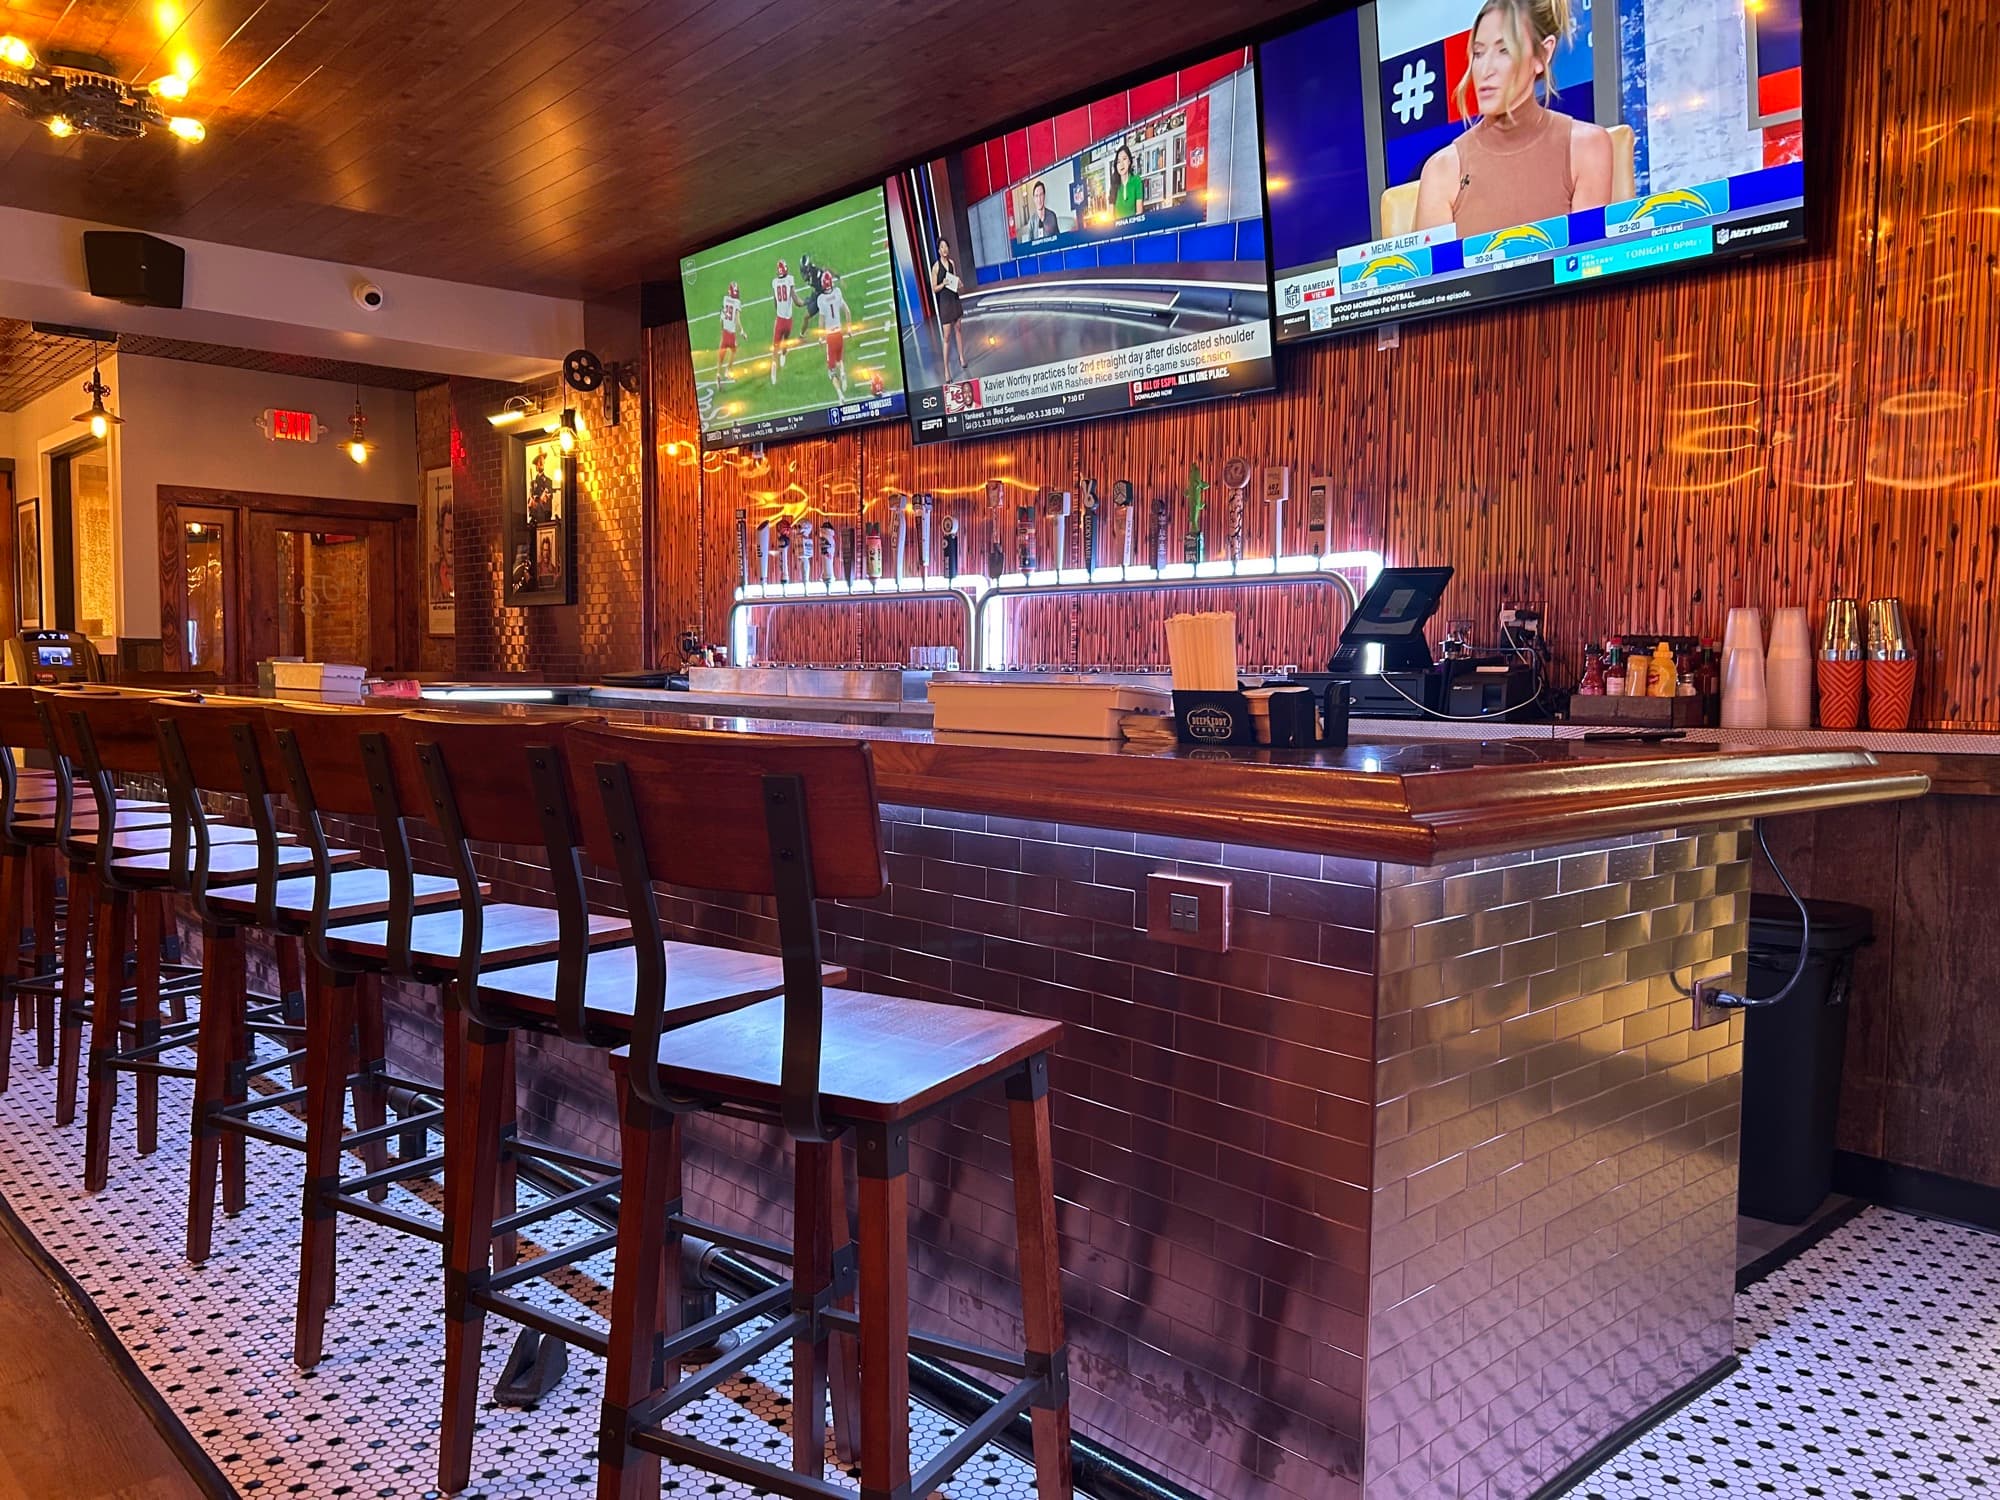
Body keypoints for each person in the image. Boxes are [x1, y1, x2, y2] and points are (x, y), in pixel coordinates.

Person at [1411, 0, 1612, 240]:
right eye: (1478, 53)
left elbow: (1587, 267)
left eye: (1504, 50)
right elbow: (1439, 276)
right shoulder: (1442, 170)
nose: (1485, 70)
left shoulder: (1587, 148)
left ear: (1543, 54)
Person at [931, 236, 968, 380]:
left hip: (954, 300)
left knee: (958, 329)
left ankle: (961, 358)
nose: (944, 249)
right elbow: (934, 289)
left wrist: (959, 283)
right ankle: (946, 370)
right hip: (945, 303)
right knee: (946, 336)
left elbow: (956, 280)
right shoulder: (935, 267)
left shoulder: (952, 263)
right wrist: (943, 283)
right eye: (942, 247)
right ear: (939, 250)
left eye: (946, 247)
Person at [817, 270, 850, 400]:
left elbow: (821, 320)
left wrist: (820, 337)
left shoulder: (821, 299)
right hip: (839, 333)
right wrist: (849, 328)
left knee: (831, 371)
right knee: (839, 358)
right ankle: (842, 371)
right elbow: (847, 311)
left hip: (830, 336)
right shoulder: (837, 293)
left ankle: (840, 395)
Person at [770, 257, 797, 383]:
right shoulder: (790, 279)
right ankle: (784, 355)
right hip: (788, 319)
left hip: (780, 319)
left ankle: (774, 372)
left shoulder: (774, 282)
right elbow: (795, 298)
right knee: (785, 341)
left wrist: (778, 312)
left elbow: (775, 301)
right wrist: (803, 303)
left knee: (775, 346)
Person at [1109, 143, 1145, 218]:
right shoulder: (1114, 185)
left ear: (1129, 161)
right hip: (1118, 229)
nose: (1121, 164)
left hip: (1134, 226)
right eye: (1118, 162)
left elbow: (1139, 212)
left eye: (1124, 159)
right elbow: (1111, 218)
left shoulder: (1136, 180)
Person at [717, 281, 742, 381]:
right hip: (731, 334)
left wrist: (722, 330)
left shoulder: (725, 299)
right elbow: (737, 319)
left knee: (721, 355)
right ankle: (728, 370)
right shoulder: (737, 303)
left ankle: (718, 374)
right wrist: (742, 331)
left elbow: (722, 318)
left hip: (724, 332)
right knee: (734, 351)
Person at [527, 451, 555, 523]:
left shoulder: (548, 481)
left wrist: (539, 501)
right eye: (539, 462)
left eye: (542, 461)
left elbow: (548, 495)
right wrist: (531, 500)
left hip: (544, 514)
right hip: (535, 515)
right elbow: (530, 500)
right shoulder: (533, 483)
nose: (541, 464)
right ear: (536, 466)